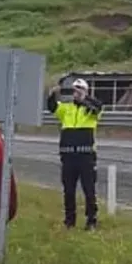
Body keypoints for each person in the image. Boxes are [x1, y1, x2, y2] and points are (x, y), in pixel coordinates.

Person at [47, 78, 104, 230]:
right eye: (74, 90)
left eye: (79, 89)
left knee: (89, 190)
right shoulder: (66, 108)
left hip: (86, 158)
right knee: (68, 191)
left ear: (86, 91)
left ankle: (91, 220)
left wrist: (84, 99)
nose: (76, 93)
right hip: (68, 158)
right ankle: (69, 221)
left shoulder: (91, 108)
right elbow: (52, 107)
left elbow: (98, 108)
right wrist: (53, 94)